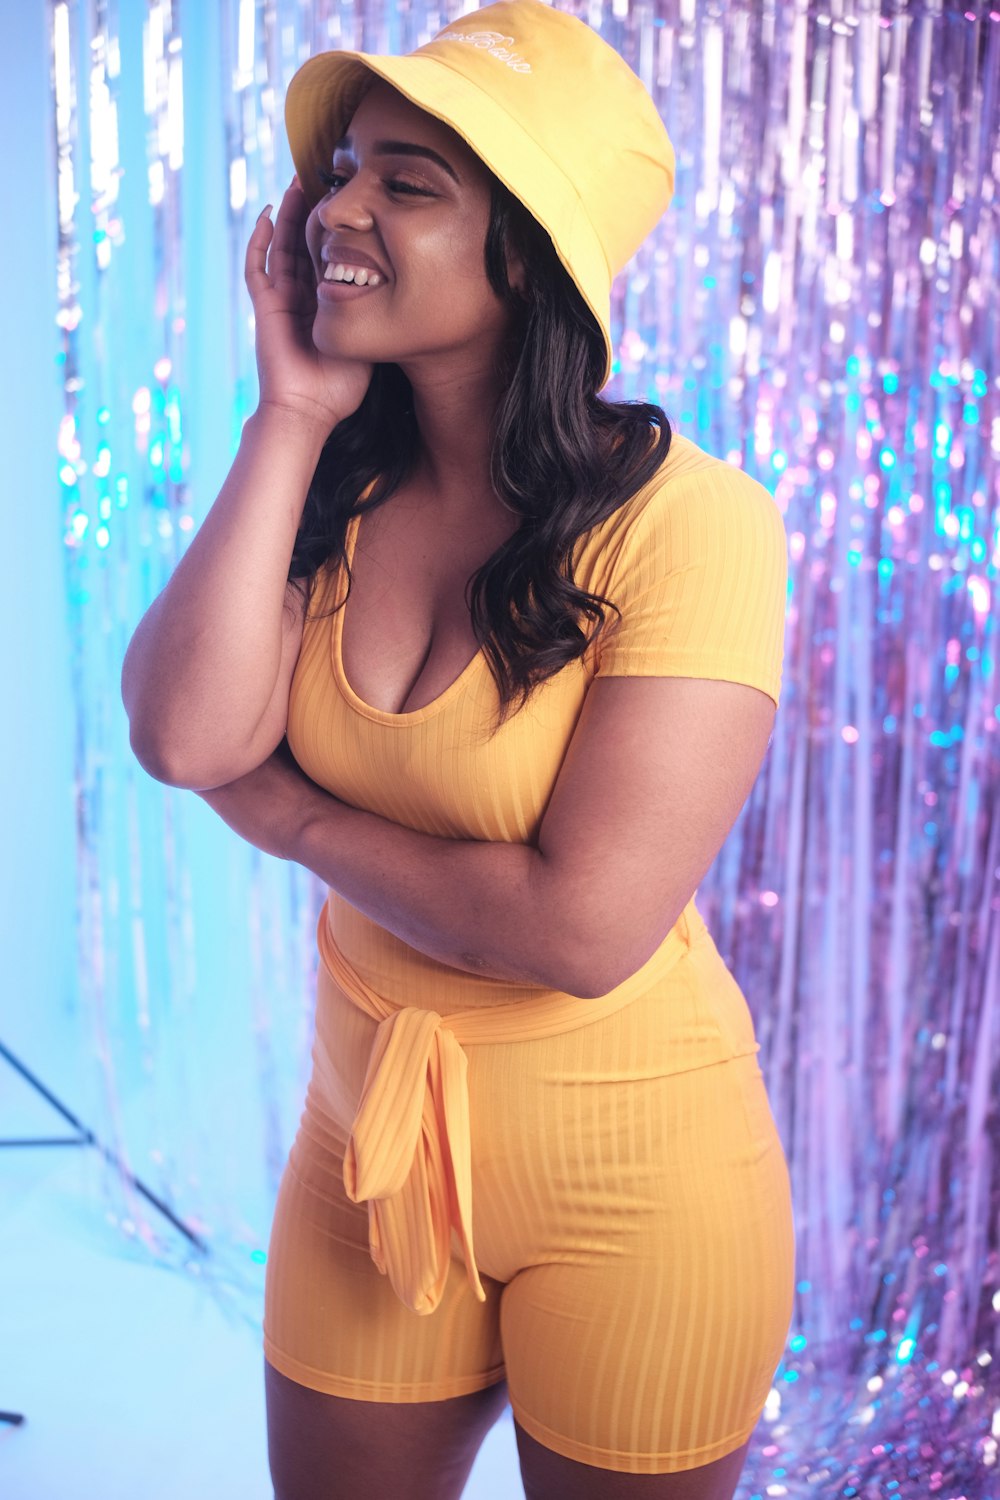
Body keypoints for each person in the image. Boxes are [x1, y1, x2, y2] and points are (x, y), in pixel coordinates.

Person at [121, 3, 795, 1496]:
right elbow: (181, 734)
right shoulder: (337, 476)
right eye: (344, 169)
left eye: (407, 184)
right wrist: (290, 414)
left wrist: (293, 821)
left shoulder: (697, 528)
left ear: (526, 256)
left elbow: (585, 924)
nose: (336, 210)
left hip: (638, 1182)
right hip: (367, 1146)